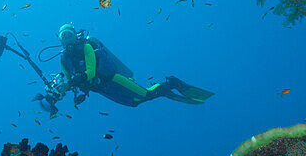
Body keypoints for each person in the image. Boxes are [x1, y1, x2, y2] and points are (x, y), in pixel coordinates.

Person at [52, 23, 213, 108]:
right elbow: (70, 82)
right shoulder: (63, 60)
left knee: (144, 94)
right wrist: (60, 90)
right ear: (60, 40)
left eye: (69, 36)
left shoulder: (86, 47)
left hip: (113, 79)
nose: (67, 40)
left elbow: (91, 72)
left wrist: (71, 82)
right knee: (134, 103)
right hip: (101, 89)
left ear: (75, 36)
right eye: (64, 37)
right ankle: (161, 92)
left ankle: (172, 83)